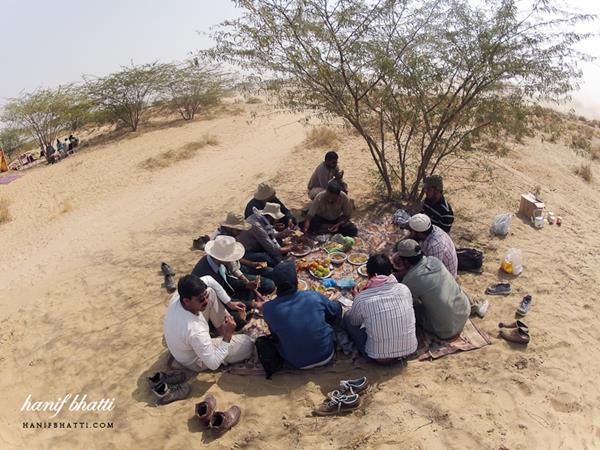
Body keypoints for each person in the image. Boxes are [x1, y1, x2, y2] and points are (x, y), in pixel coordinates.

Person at [256, 261, 342, 369]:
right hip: (326, 354)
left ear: (276, 285)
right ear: (296, 281)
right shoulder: (313, 296)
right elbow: (335, 311)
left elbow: (275, 334)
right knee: (336, 307)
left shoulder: (268, 308)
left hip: (297, 362)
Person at [163, 274, 252, 371]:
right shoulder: (195, 330)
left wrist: (229, 303)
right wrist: (228, 335)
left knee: (211, 291)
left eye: (206, 296)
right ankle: (224, 337)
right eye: (201, 299)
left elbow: (209, 279)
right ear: (186, 301)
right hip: (194, 359)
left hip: (182, 343)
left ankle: (221, 333)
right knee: (248, 344)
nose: (206, 300)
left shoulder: (179, 295)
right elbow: (213, 364)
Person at [344, 254, 417, 363]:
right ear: (390, 271)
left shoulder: (362, 298)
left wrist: (357, 300)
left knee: (347, 317)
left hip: (378, 358)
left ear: (368, 274)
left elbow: (355, 322)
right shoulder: (404, 289)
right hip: (408, 350)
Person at [392, 240, 469, 339]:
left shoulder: (410, 280)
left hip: (446, 329)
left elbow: (404, 303)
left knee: (411, 308)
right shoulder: (434, 260)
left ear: (405, 261)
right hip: (464, 312)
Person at [191, 235, 275, 311]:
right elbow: (221, 300)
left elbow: (228, 280)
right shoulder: (206, 273)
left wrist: (247, 285)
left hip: (225, 290)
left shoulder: (219, 262)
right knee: (238, 318)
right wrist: (253, 304)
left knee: (253, 291)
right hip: (211, 303)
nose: (232, 260)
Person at [237, 202, 294, 267]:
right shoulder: (256, 225)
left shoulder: (261, 219)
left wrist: (283, 233)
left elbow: (268, 235)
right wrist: (292, 247)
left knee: (279, 242)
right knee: (266, 258)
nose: (277, 220)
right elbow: (274, 250)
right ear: (271, 217)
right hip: (246, 252)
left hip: (257, 243)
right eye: (276, 218)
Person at [406, 213, 458, 278]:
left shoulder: (435, 245)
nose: (410, 233)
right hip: (435, 266)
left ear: (419, 233)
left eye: (411, 231)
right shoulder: (431, 229)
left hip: (444, 277)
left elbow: (431, 270)